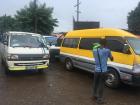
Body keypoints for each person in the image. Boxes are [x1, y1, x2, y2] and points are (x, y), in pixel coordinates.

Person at [92, 39, 113, 104]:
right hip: (103, 71)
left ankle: (94, 96)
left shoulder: (94, 50)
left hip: (96, 70)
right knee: (101, 84)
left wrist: (96, 46)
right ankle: (100, 99)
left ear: (99, 43)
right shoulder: (107, 50)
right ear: (106, 44)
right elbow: (112, 58)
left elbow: (95, 47)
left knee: (95, 83)